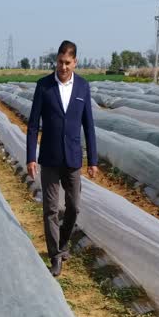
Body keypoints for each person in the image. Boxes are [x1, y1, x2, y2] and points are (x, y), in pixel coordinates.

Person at [26, 40, 98, 277]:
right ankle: (55, 256)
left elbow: (88, 125)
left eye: (68, 63)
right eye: (60, 62)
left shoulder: (82, 88)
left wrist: (93, 160)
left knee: (74, 207)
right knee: (50, 209)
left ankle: (64, 242)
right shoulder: (44, 86)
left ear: (75, 62)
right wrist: (31, 157)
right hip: (49, 157)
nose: (63, 67)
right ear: (56, 61)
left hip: (73, 158)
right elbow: (34, 123)